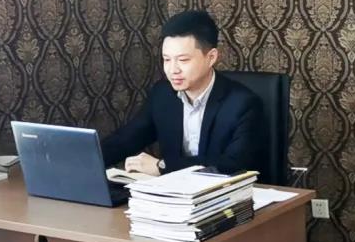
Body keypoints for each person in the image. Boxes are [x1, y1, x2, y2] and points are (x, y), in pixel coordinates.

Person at [101, 10, 268, 178]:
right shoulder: (162, 95)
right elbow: (126, 140)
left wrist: (162, 166)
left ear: (211, 57)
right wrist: (89, 158)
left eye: (183, 60)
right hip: (172, 192)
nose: (173, 70)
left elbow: (233, 164)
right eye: (167, 59)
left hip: (223, 192)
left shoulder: (243, 104)